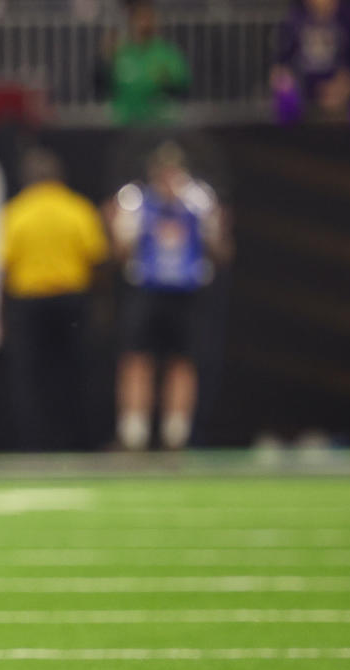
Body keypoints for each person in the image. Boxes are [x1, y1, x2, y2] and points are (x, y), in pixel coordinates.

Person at [106, 141, 231, 451]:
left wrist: (214, 226)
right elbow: (120, 252)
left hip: (186, 293)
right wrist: (118, 227)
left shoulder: (199, 202)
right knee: (138, 359)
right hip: (147, 290)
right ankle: (134, 432)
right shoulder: (135, 202)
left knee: (183, 361)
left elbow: (221, 250)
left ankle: (177, 433)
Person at [0, 147, 108, 451]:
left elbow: (3, 269)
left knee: (32, 379)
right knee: (75, 375)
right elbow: (97, 262)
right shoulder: (78, 209)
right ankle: (79, 441)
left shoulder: (16, 212)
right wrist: (98, 308)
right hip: (71, 303)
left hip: (29, 305)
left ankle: (36, 443)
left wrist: (2, 317)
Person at [97, 0, 190, 126]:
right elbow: (101, 84)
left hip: (158, 123)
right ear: (132, 21)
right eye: (140, 18)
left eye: (149, 18)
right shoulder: (121, 52)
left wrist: (167, 79)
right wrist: (105, 60)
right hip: (124, 123)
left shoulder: (166, 53)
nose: (145, 24)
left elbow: (182, 81)